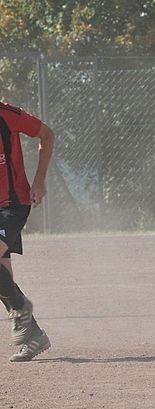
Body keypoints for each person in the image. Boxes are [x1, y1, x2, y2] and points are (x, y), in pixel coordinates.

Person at [0, 102, 55, 362]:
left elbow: (47, 134)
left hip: (12, 204)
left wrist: (39, 180)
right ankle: (35, 335)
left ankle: (21, 310)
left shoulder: (7, 114)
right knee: (3, 279)